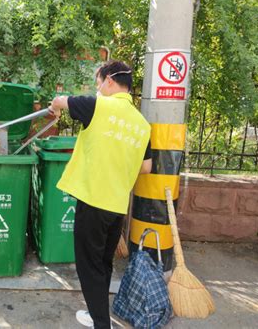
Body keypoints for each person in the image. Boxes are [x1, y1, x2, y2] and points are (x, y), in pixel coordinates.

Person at [49, 60, 152, 328]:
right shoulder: (142, 124)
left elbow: (60, 100)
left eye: (98, 84)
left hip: (93, 200)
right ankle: (97, 316)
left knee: (88, 267)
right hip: (117, 205)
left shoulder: (98, 106)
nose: (98, 89)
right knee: (103, 264)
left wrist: (54, 108)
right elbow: (146, 167)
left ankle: (101, 323)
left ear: (108, 80)